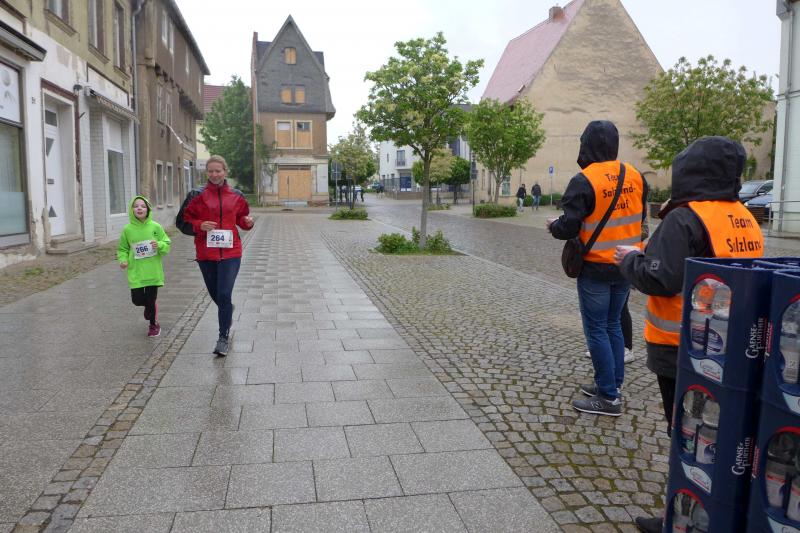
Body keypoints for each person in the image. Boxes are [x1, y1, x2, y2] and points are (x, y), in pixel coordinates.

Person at [614, 136, 764, 533]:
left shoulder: (685, 218)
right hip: (731, 344)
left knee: (686, 432)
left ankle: (682, 515)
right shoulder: (744, 217)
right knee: (721, 433)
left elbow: (660, 278)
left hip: (682, 346)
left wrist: (629, 260)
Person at [547, 120, 647, 417]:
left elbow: (569, 227)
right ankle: (613, 383)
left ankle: (608, 397)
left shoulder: (584, 180)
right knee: (613, 324)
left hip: (596, 267)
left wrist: (553, 226)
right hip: (626, 264)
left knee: (596, 329)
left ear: (587, 144)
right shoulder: (636, 175)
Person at [178, 155, 254, 357]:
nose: (214, 174)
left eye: (218, 171)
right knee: (216, 295)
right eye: (210, 171)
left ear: (225, 172)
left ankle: (223, 338)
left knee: (224, 294)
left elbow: (242, 219)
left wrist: (248, 222)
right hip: (206, 254)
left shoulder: (236, 195)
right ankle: (227, 309)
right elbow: (182, 222)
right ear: (207, 173)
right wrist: (199, 225)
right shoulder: (196, 195)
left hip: (231, 253)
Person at [117, 196, 171, 338]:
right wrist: (123, 260)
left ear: (148, 210)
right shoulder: (127, 229)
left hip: (152, 270)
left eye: (143, 206)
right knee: (137, 300)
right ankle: (148, 306)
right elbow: (123, 248)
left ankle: (154, 325)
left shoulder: (156, 227)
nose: (139, 208)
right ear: (132, 210)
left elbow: (167, 243)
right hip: (136, 271)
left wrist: (159, 245)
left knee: (151, 299)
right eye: (136, 206)